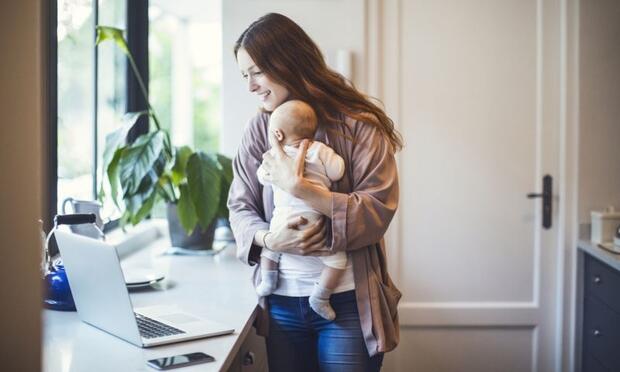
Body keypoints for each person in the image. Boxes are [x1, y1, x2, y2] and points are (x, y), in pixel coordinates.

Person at [228, 12, 403, 372]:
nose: (251, 86)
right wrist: (270, 239)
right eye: (245, 75)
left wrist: (300, 189)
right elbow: (239, 205)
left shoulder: (358, 125)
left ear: (288, 62)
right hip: (280, 302)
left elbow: (378, 207)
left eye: (257, 72)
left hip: (348, 305)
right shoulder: (260, 128)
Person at [255, 100, 347, 321]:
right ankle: (321, 296)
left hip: (283, 220)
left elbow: (262, 177)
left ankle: (268, 279)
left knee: (271, 245)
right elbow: (337, 172)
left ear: (277, 134)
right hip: (316, 220)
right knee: (338, 261)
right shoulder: (320, 150)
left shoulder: (275, 156)